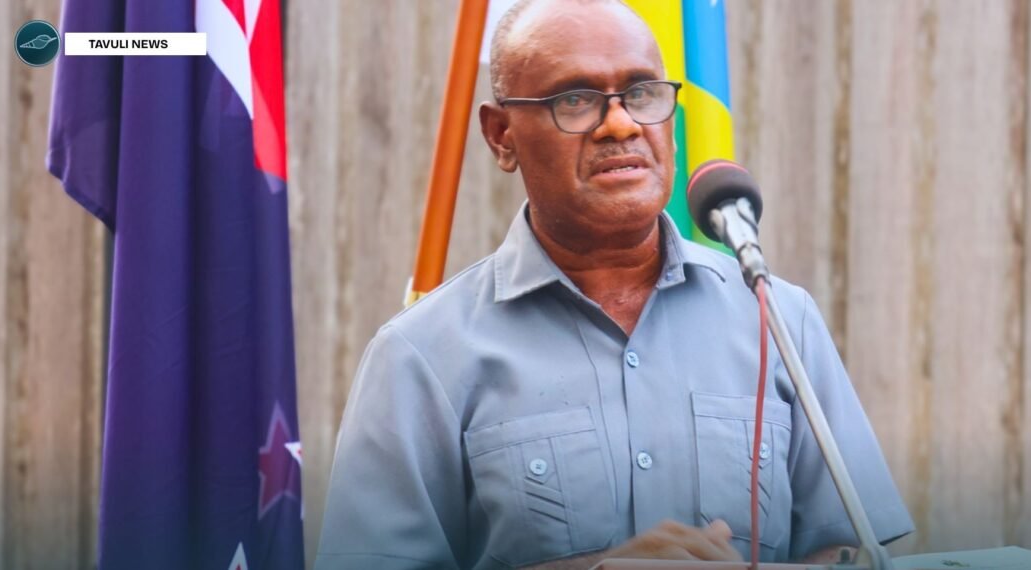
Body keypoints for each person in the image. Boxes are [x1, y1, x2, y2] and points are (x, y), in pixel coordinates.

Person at [315, 0, 914, 568]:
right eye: (575, 100)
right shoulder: (420, 357)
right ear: (502, 136)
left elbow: (857, 551)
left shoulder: (778, 320)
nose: (620, 123)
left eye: (642, 92)